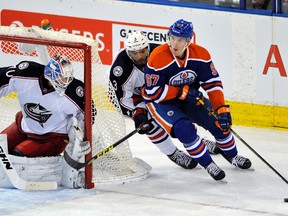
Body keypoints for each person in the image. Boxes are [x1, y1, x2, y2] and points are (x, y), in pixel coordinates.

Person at [142, 19, 252, 181]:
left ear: (188, 41)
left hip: (190, 97)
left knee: (219, 123)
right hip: (162, 102)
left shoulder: (201, 55)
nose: (174, 43)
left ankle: (233, 156)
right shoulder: (157, 57)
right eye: (172, 38)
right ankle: (209, 164)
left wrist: (221, 108)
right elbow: (153, 92)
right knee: (184, 130)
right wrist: (182, 92)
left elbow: (213, 84)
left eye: (180, 40)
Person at [109, 31, 219, 170]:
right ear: (128, 52)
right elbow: (119, 99)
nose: (139, 56)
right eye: (134, 53)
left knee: (179, 116)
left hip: (160, 92)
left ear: (147, 48)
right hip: (137, 100)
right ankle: (173, 153)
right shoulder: (120, 68)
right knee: (149, 124)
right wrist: (136, 113)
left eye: (142, 51)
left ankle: (197, 141)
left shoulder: (160, 53)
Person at [0, 54, 92, 188]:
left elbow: (89, 116)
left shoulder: (75, 91)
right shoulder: (26, 73)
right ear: (50, 75)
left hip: (52, 137)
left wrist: (79, 135)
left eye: (68, 77)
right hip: (23, 126)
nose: (66, 82)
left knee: (17, 158)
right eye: (61, 77)